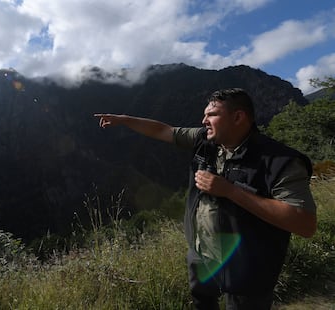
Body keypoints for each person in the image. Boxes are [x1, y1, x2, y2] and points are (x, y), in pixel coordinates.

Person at [94, 88, 317, 310]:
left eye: (212, 115)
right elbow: (164, 130)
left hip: (249, 267)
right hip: (202, 253)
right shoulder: (204, 141)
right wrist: (124, 120)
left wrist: (231, 191)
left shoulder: (280, 162)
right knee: (202, 303)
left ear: (238, 117)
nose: (204, 121)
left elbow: (304, 223)